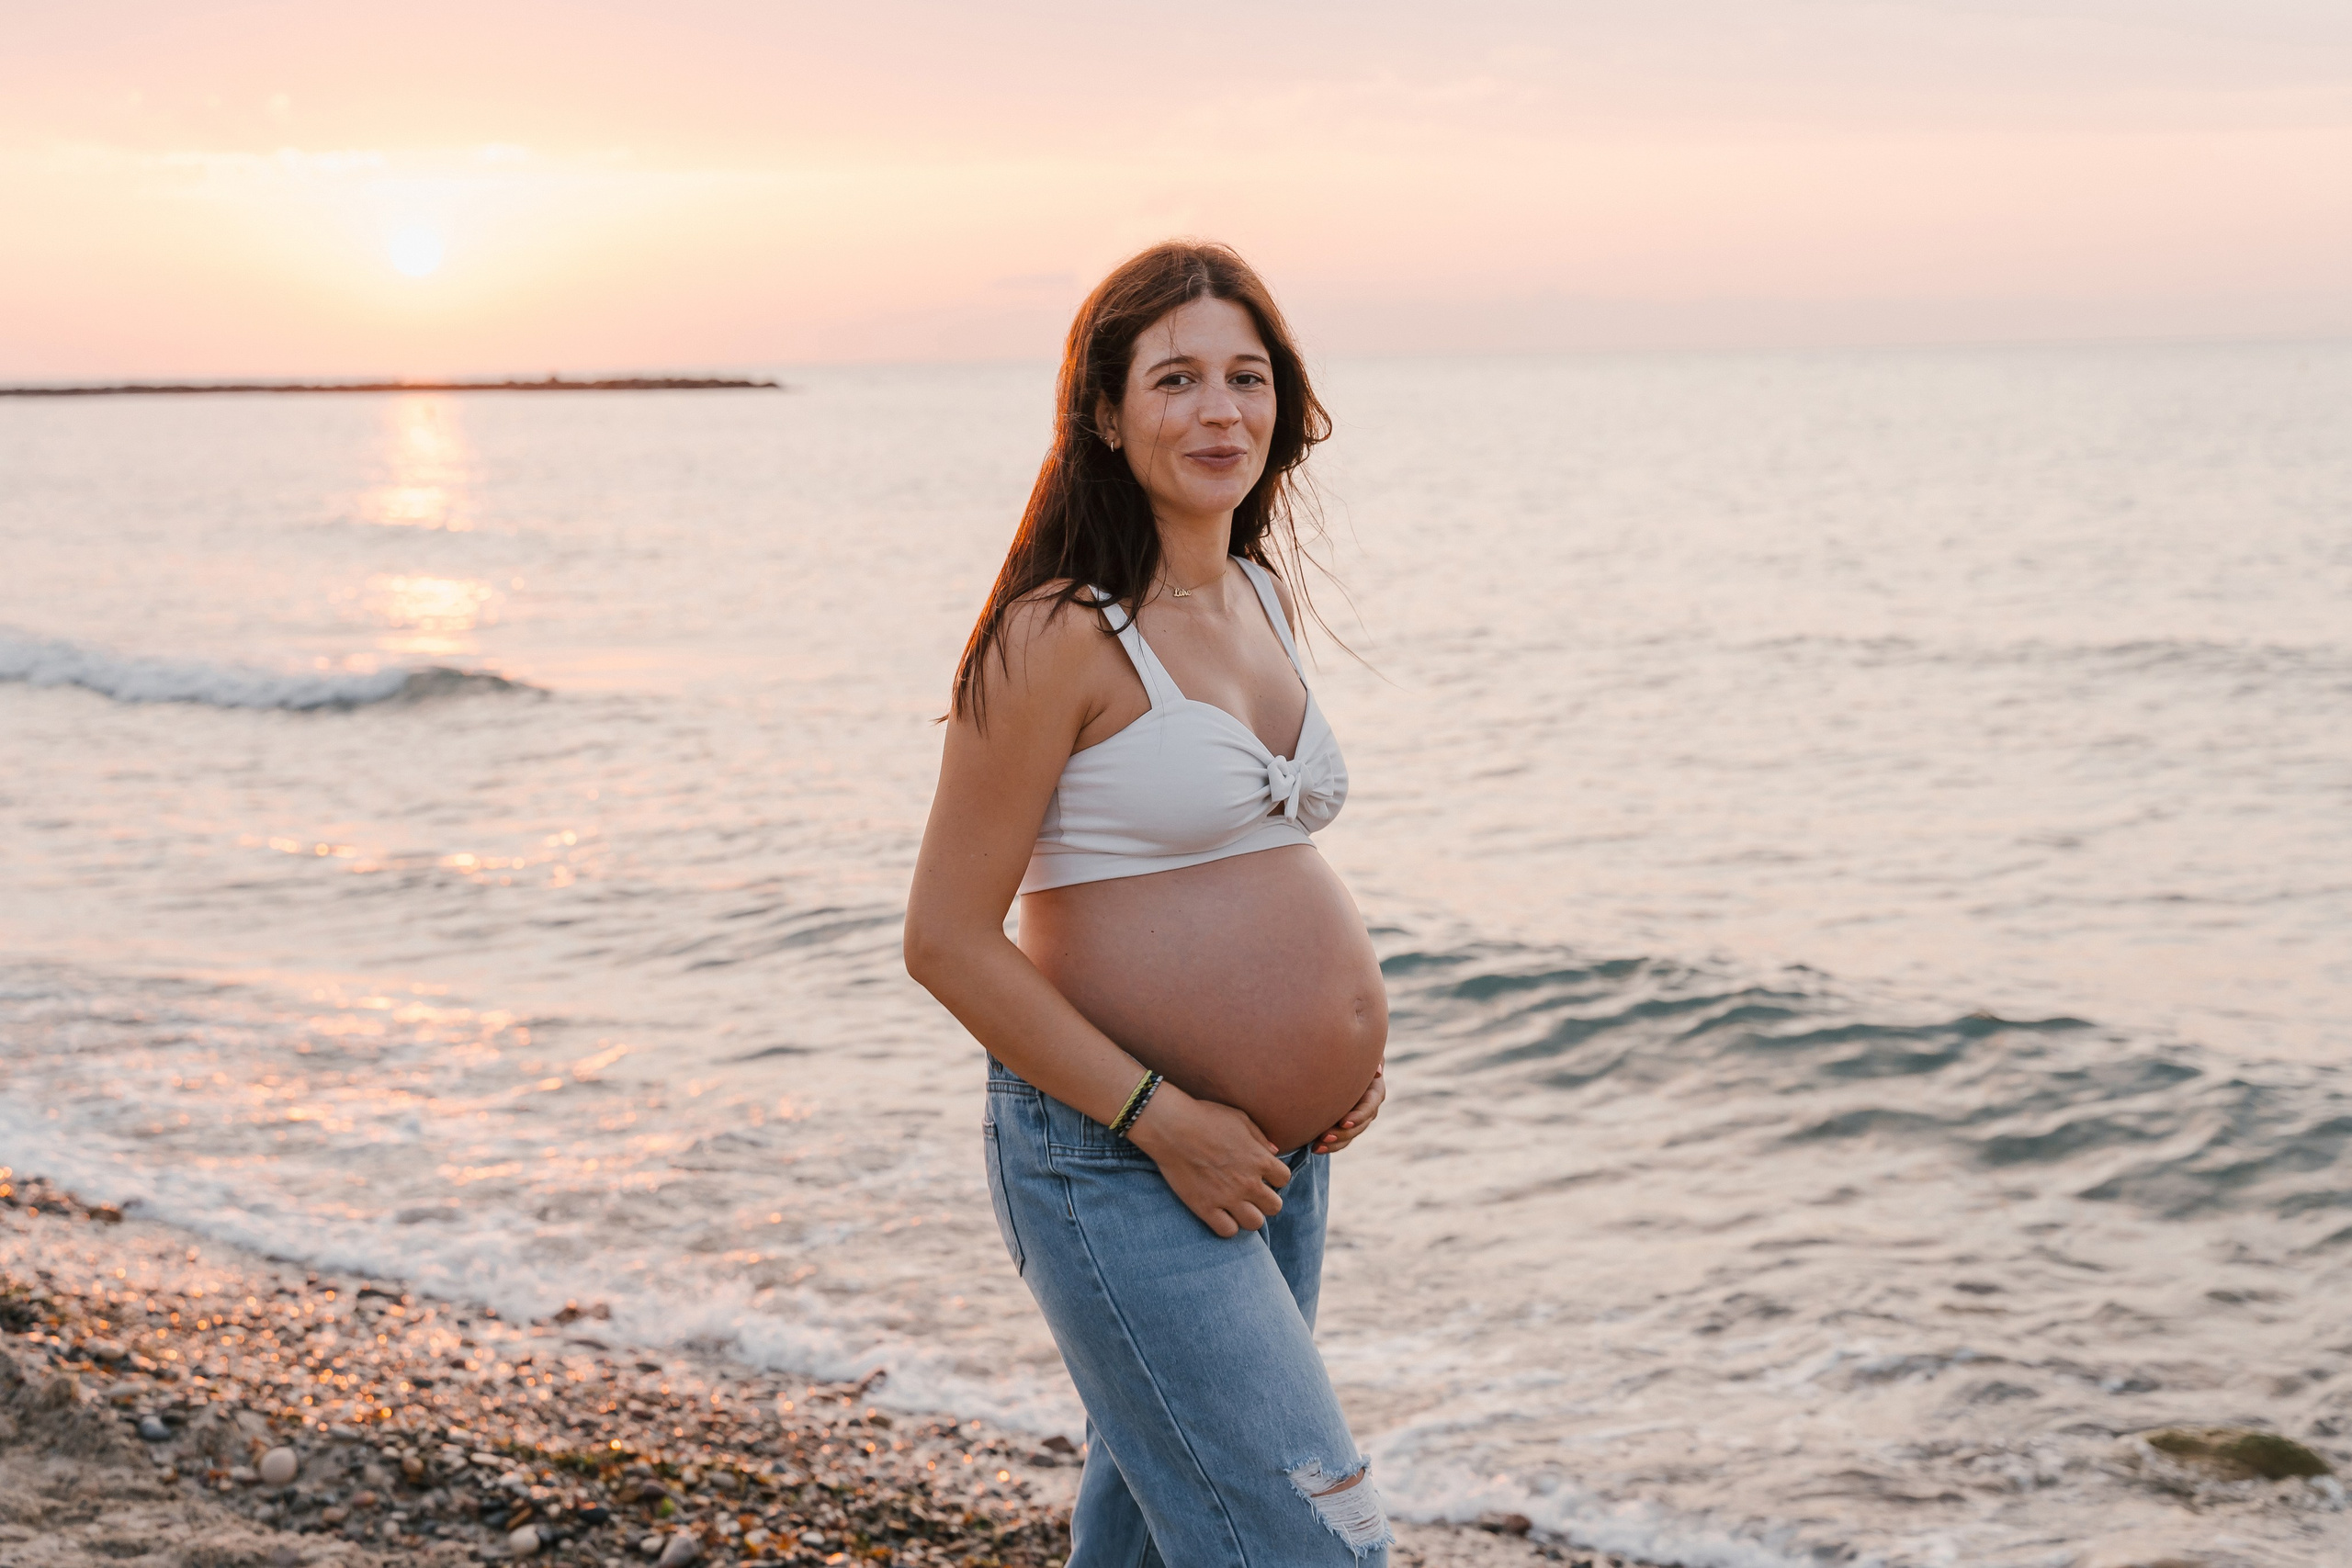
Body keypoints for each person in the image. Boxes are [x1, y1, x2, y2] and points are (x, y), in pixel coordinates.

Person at [903, 241, 1393, 1567]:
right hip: (1118, 1156)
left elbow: (1248, 878)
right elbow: (944, 942)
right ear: (1106, 416)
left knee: (1148, 1537)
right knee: (1316, 1543)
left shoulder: (1259, 594)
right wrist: (1162, 1119)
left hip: (1270, 1162)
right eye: (1175, 379)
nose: (1219, 410)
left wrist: (1326, 1069)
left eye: (1247, 375)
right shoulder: (1056, 634)